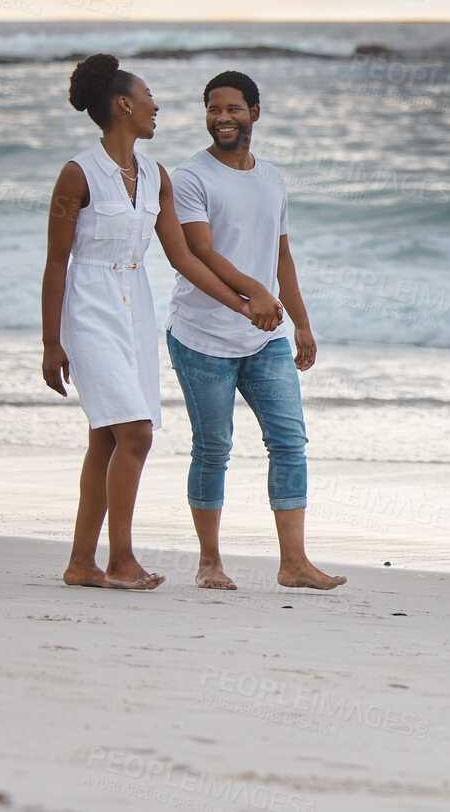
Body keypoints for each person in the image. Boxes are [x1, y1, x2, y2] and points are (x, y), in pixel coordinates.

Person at [43, 54, 282, 589]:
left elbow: (187, 259)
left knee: (106, 439)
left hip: (137, 306)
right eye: (149, 95)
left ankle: (81, 563)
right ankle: (121, 560)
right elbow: (56, 261)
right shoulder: (78, 173)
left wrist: (243, 304)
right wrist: (50, 342)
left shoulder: (155, 176)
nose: (157, 105)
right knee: (136, 433)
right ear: (125, 104)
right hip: (88, 307)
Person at [166, 69, 346, 591]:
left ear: (255, 114)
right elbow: (199, 251)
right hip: (202, 337)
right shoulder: (190, 177)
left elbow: (282, 254)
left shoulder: (271, 178)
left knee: (289, 441)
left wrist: (302, 324)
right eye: (213, 109)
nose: (222, 118)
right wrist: (254, 295)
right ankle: (209, 562)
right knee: (213, 448)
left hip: (265, 337)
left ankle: (293, 564)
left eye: (233, 109)